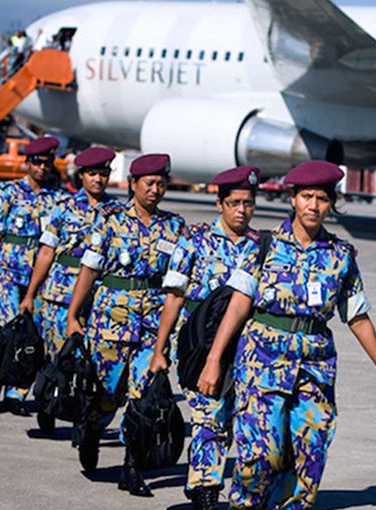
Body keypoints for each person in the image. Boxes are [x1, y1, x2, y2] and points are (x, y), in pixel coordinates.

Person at [197, 160, 376, 509]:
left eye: (321, 198)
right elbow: (239, 304)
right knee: (261, 455)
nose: (313, 205)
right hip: (263, 363)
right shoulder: (264, 246)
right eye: (306, 196)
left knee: (310, 452)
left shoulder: (341, 256)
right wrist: (214, 360)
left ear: (331, 202)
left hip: (314, 367)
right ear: (293, 199)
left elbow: (357, 316)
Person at [66, 153, 185, 498]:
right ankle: (90, 428)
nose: (155, 189)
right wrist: (75, 314)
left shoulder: (174, 226)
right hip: (111, 321)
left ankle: (131, 467)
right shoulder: (110, 219)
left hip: (153, 324)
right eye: (149, 183)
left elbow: (179, 280)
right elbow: (89, 269)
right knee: (107, 394)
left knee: (142, 396)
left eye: (161, 183)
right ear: (133, 184)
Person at [151, 165, 260, 509]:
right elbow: (174, 296)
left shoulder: (263, 246)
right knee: (209, 416)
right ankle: (205, 488)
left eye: (248, 203)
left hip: (246, 347)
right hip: (201, 344)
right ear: (220, 204)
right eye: (235, 203)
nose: (242, 210)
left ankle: (206, 480)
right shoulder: (194, 241)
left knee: (236, 420)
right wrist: (159, 348)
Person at [0, 136, 67, 415]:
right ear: (27, 163)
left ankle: (17, 393)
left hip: (38, 275)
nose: (41, 167)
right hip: (5, 270)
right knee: (8, 330)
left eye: (47, 163)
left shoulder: (57, 199)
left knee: (30, 334)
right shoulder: (8, 193)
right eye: (36, 162)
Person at [19, 146, 119, 358]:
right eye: (92, 174)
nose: (98, 180)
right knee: (58, 358)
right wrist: (30, 294)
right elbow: (47, 252)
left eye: (103, 174)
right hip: (61, 295)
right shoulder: (64, 207)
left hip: (98, 297)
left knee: (91, 360)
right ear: (81, 175)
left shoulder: (118, 211)